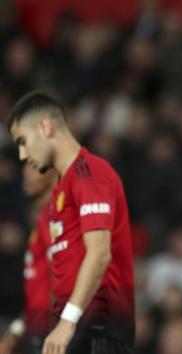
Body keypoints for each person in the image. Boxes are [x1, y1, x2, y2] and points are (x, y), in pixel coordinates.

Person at [7, 91, 135, 354]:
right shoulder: (60, 193)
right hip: (77, 327)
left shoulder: (90, 173)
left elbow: (99, 253)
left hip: (98, 327)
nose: (21, 154)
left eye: (23, 141)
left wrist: (67, 322)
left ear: (46, 126)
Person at [0, 164, 55, 354]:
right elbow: (36, 295)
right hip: (34, 331)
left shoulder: (57, 226)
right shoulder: (36, 231)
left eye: (34, 167)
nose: (25, 171)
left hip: (52, 334)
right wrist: (15, 333)